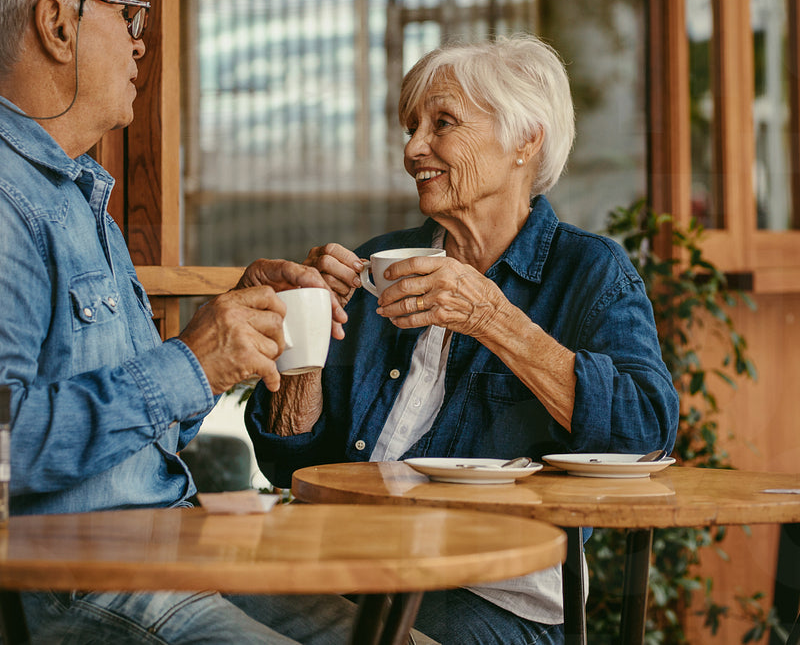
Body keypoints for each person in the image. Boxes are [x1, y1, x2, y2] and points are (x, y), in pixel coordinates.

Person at [0, 0, 354, 644]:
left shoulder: (69, 192)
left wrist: (222, 339)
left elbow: (139, 428)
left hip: (153, 558)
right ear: (56, 24)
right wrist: (192, 362)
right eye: (125, 12)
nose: (140, 38)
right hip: (43, 590)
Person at [246, 34, 679, 645]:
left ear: (525, 140)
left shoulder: (588, 272)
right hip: (350, 569)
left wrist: (493, 319)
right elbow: (290, 465)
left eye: (442, 123)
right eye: (410, 127)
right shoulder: (379, 265)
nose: (413, 148)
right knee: (194, 605)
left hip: (495, 601)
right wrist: (306, 339)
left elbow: (647, 435)